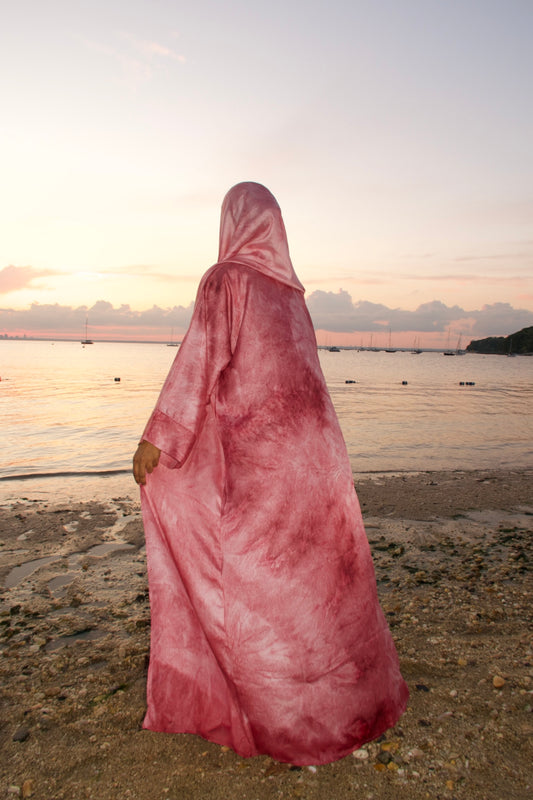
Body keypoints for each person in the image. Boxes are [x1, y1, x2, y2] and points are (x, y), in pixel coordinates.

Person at [133, 181, 408, 766]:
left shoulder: (226, 280)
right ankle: (350, 703)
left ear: (234, 223)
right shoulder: (293, 298)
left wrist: (158, 438)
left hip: (265, 467)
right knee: (312, 593)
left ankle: (286, 719)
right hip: (320, 466)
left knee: (259, 590)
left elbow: (199, 361)